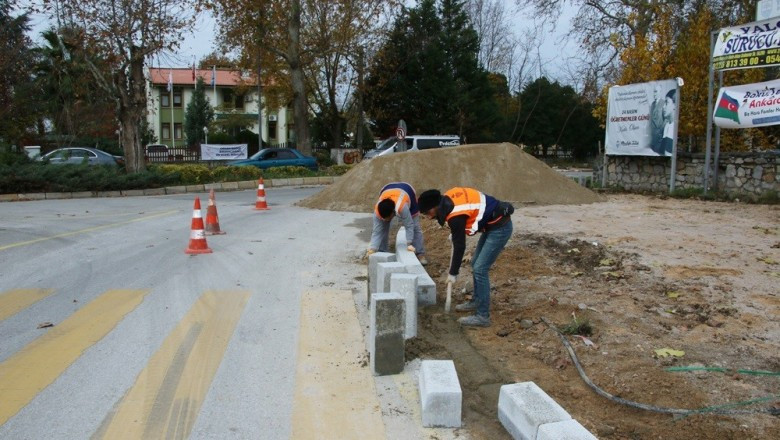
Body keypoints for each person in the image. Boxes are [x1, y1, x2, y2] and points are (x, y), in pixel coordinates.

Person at [417, 187, 514, 327]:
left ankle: (482, 316)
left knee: (480, 269)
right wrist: (457, 231)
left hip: (500, 228)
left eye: (428, 212)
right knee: (475, 264)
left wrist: (453, 272)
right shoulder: (448, 198)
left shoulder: (455, 216)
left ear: (436, 206)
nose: (429, 217)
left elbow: (460, 246)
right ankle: (476, 300)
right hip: (492, 224)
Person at [367, 182, 427, 265]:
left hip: (407, 191)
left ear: (393, 212)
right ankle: (383, 252)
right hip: (386, 189)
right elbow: (377, 231)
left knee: (415, 226)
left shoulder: (402, 207)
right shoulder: (377, 211)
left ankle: (420, 254)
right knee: (383, 226)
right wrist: (372, 248)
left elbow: (409, 225)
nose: (387, 220)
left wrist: (409, 243)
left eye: (388, 217)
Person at [649, 85, 665, 154]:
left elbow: (666, 120)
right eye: (653, 92)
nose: (654, 94)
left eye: (656, 92)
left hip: (659, 138)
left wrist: (660, 132)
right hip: (651, 137)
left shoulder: (664, 103)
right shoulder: (652, 104)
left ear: (660, 92)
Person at [661, 89, 676, 156]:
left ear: (675, 105)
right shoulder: (667, 125)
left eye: (667, 102)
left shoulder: (675, 128)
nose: (663, 107)